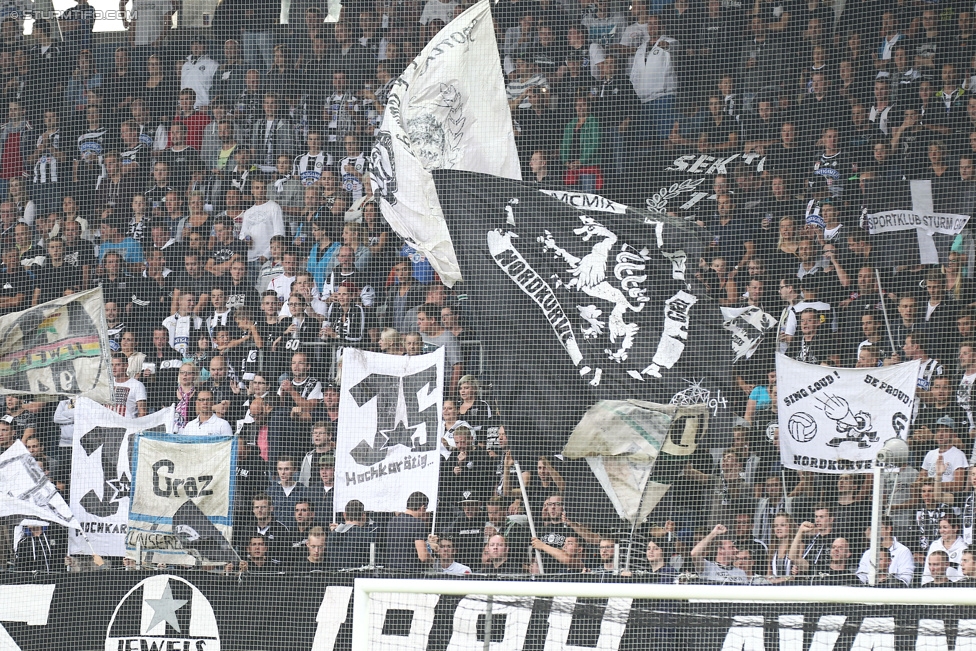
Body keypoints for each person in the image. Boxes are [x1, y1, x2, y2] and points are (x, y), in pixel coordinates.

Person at [383, 491, 434, 573]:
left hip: (392, 571)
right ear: (422, 507)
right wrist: (432, 560)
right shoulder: (418, 524)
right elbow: (423, 556)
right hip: (411, 573)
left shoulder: (392, 522)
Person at [855, 518, 915, 586]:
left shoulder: (903, 551)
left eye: (878, 528)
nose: (874, 532)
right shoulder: (868, 553)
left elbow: (906, 578)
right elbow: (861, 576)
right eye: (873, 528)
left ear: (888, 529)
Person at [325, 499, 377, 570]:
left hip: (336, 579)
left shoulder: (331, 536)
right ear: (363, 515)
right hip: (358, 578)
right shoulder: (366, 536)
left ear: (344, 514)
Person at [110, 352, 147, 418]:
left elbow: (142, 411)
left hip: (128, 426)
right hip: (108, 425)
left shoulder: (137, 385)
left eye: (118, 365)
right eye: (112, 365)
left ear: (126, 365)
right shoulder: (108, 383)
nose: (114, 368)